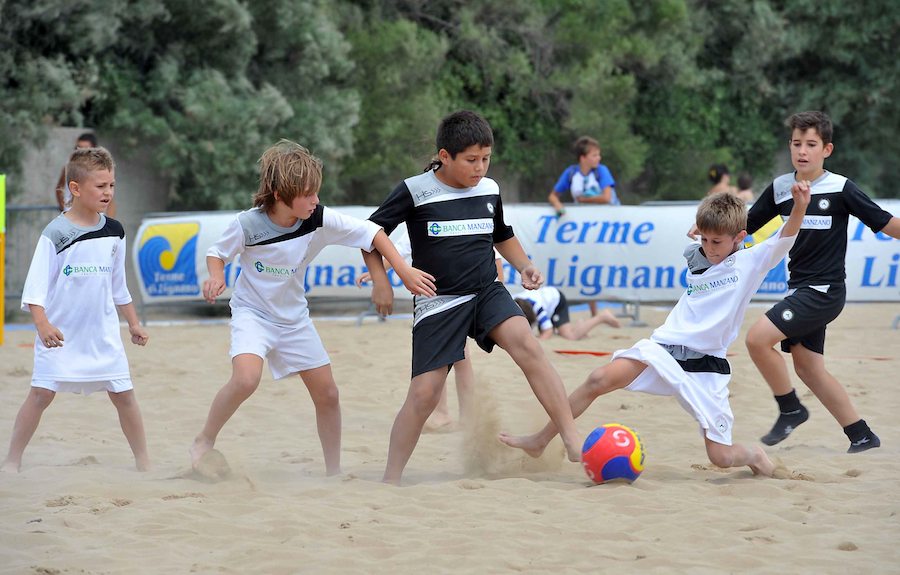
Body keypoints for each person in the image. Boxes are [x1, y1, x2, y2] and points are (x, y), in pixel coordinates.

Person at [500, 190, 810, 477]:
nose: (708, 248)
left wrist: (800, 206)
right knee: (597, 379)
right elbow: (706, 234)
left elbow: (785, 237)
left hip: (706, 369)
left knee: (721, 458)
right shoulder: (698, 255)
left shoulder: (750, 261)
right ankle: (541, 440)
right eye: (704, 239)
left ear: (739, 238)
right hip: (663, 349)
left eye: (716, 242)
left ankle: (755, 455)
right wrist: (703, 233)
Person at [189, 140, 435, 476]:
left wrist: (392, 276)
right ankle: (205, 439)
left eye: (316, 192)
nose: (315, 200)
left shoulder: (318, 218)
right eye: (307, 193)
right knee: (246, 379)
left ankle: (332, 472)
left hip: (294, 320)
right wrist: (215, 277)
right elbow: (216, 253)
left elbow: (374, 233)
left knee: (329, 394)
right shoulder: (248, 224)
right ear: (279, 194)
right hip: (253, 315)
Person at [364, 110, 582, 484]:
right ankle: (391, 478)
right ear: (444, 156)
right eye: (471, 160)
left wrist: (524, 265)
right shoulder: (415, 190)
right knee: (425, 395)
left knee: (527, 344)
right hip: (439, 300)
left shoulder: (489, 189)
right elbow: (369, 234)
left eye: (486, 159)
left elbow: (501, 234)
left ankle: (571, 437)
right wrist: (383, 280)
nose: (480, 168)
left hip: (486, 290)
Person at [744, 111, 900, 453]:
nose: (803, 151)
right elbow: (744, 226)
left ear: (826, 149)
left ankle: (791, 409)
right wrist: (707, 229)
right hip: (799, 289)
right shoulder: (781, 188)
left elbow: (888, 223)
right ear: (790, 146)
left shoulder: (842, 188)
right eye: (797, 144)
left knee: (757, 339)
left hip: (825, 291)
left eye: (811, 144)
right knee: (809, 368)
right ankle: (861, 435)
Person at [2, 147, 150, 473]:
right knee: (40, 395)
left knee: (124, 396)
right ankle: (12, 460)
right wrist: (42, 325)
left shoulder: (115, 231)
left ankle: (144, 462)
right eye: (100, 186)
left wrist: (134, 324)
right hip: (60, 336)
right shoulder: (55, 233)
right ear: (75, 189)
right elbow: (35, 290)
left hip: (103, 336)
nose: (108, 192)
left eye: (111, 185)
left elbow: (118, 287)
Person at [356, 233, 506, 431]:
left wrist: (498, 288)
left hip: (467, 296)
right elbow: (398, 252)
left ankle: (458, 415)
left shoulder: (465, 218)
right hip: (436, 300)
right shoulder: (423, 219)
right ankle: (452, 414)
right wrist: (377, 273)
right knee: (447, 358)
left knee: (457, 358)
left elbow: (494, 256)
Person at [548, 136, 620, 317]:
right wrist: (559, 208)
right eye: (595, 155)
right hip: (584, 227)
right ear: (583, 157)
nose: (599, 158)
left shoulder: (602, 171)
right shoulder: (571, 173)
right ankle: (595, 313)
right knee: (587, 263)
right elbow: (553, 195)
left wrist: (584, 200)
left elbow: (606, 198)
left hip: (608, 225)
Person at [513, 286, 621, 340]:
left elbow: (548, 332)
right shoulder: (512, 301)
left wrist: (538, 341)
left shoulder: (536, 308)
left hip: (557, 301)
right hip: (546, 296)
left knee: (570, 336)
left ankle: (602, 317)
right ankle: (580, 325)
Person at [55, 133, 117, 218]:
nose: (81, 151)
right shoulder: (68, 168)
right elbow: (59, 189)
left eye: (85, 148)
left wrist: (110, 223)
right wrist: (65, 210)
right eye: (78, 148)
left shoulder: (102, 170)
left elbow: (110, 200)